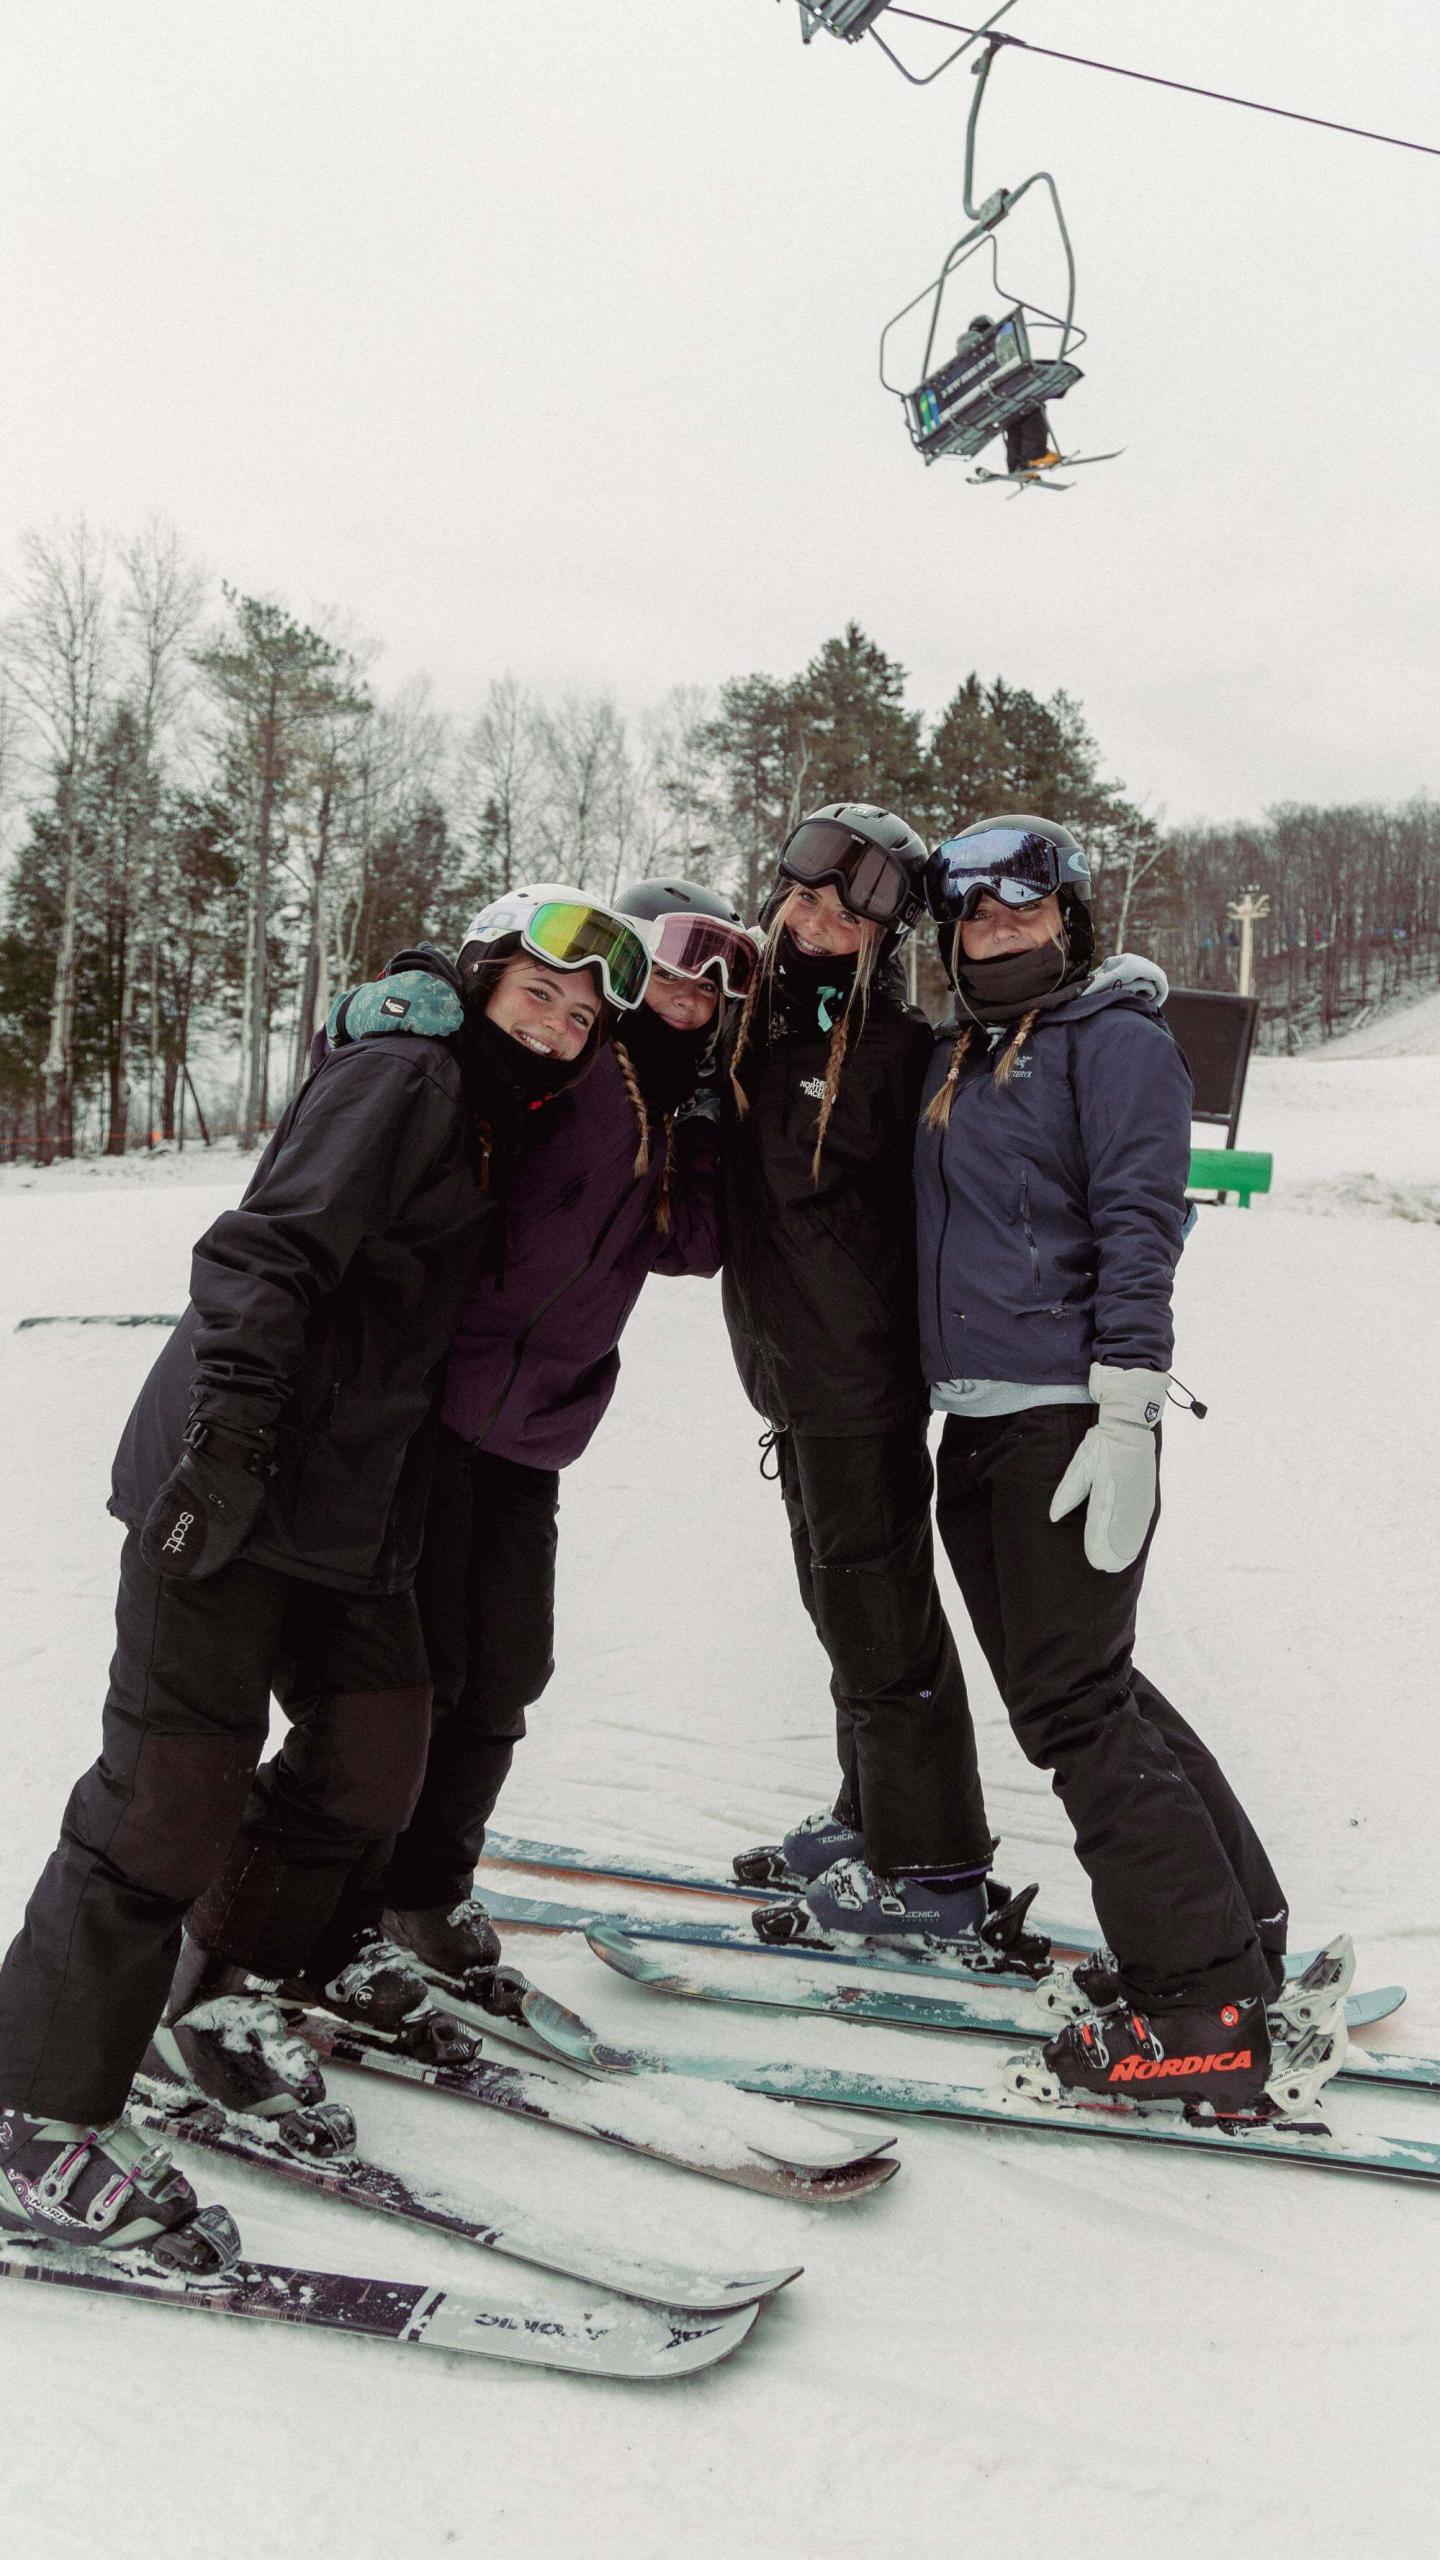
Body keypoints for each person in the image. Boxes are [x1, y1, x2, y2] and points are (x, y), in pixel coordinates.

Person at [0, 887, 649, 2265]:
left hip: (354, 1511)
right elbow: (265, 1250)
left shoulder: (488, 1114)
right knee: (168, 1792)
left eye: (581, 1021)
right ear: (479, 982)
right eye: (538, 994)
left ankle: (221, 1986)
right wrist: (228, 1434)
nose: (555, 1029)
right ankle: (30, 2114)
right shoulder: (408, 1074)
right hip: (233, 1481)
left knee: (373, 1757)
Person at [299, 880, 758, 1997]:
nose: (691, 1005)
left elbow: (691, 1246)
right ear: (629, 972)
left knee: (509, 1669)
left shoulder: (656, 1090)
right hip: (438, 1406)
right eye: (673, 979)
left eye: (715, 992)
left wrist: (703, 1123)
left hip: (535, 1430)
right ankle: (334, 1909)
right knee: (424, 1681)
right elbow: (448, 1050)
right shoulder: (570, 1068)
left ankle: (424, 1885)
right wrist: (385, 992)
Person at [916, 813, 1294, 2108]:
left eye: (1023, 909)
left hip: (1064, 1422)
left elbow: (1144, 1219)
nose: (998, 929)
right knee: (1087, 1694)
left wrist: (1127, 1409)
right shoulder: (965, 1053)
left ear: (1067, 919)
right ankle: (1243, 1936)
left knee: (1077, 1711)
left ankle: (1203, 2008)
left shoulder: (1114, 1042)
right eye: (976, 914)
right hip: (978, 1426)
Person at [719, 804, 1031, 1961]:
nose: (815, 923)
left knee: (884, 1622)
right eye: (803, 899)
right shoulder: (753, 1029)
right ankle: (872, 1815)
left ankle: (936, 1867)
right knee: (839, 1607)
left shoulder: (903, 1054)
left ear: (883, 937)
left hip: (859, 1384)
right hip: (790, 1380)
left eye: (847, 916)